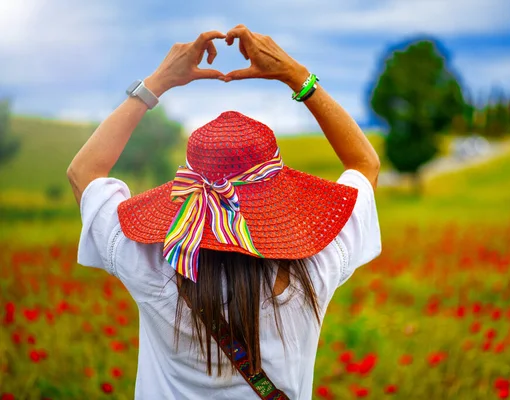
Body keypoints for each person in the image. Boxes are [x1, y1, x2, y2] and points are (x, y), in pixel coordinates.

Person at [68, 25, 381, 400]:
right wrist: (296, 76)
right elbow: (365, 164)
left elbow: (83, 173)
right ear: (277, 191)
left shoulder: (149, 261)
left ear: (189, 187)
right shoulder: (316, 265)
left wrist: (159, 81)